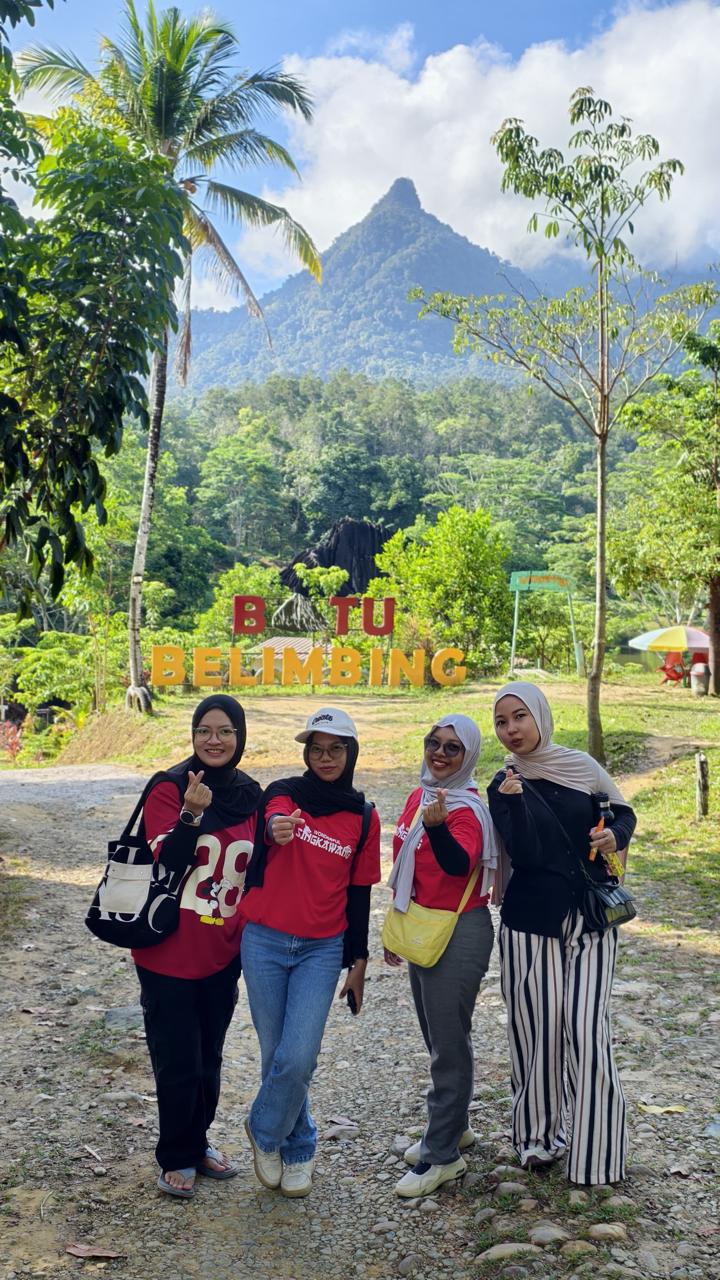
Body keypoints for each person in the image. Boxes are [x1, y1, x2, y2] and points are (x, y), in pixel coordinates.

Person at [488, 681, 637, 1186]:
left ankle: (600, 1153)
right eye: (501, 722)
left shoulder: (582, 766)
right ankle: (538, 1138)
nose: (511, 729)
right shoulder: (503, 783)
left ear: (540, 716)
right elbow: (526, 854)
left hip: (592, 918)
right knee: (537, 1030)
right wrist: (513, 803)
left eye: (519, 716)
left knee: (587, 1028)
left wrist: (614, 834)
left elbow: (622, 812)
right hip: (531, 923)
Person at [241, 707, 381, 1198]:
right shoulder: (283, 793)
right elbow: (273, 819)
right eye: (317, 749)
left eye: (336, 749)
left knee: (298, 1056)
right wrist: (278, 827)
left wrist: (359, 961)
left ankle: (263, 1129)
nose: (326, 758)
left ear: (351, 753)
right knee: (276, 1055)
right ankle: (298, 1148)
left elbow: (360, 893)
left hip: (321, 949)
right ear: (306, 754)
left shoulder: (363, 816)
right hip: (264, 941)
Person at [132, 694, 262, 1199]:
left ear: (240, 737)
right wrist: (190, 814)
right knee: (176, 1058)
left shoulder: (251, 796)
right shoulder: (168, 787)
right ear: (192, 735)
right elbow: (166, 861)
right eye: (204, 730)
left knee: (209, 1056)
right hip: (167, 950)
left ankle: (199, 1141)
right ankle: (175, 1154)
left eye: (226, 731)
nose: (215, 740)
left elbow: (258, 872)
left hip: (222, 950)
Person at [386, 714, 499, 1200]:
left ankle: (442, 1155)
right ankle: (455, 1128)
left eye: (453, 748)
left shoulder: (466, 809)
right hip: (423, 926)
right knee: (438, 1037)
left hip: (458, 932)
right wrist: (396, 929)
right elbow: (405, 867)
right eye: (434, 742)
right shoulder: (421, 795)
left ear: (468, 757)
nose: (440, 753)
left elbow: (457, 864)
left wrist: (436, 829)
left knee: (448, 1045)